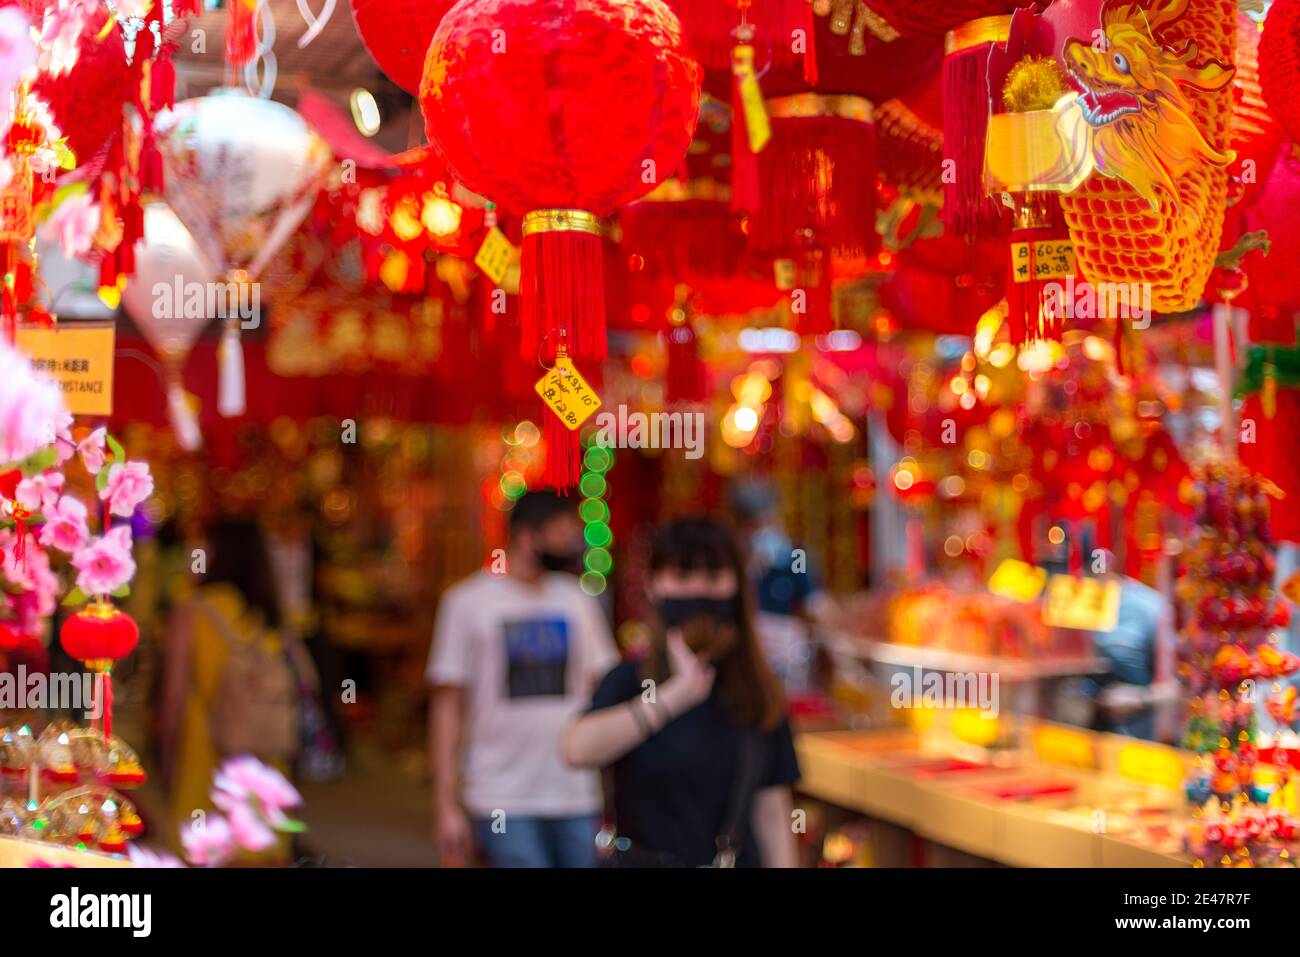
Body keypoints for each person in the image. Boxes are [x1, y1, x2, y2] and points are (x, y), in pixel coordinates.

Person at [563, 516, 801, 867]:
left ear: (737, 585)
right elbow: (576, 749)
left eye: (713, 577)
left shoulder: (757, 690)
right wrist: (674, 698)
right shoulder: (630, 680)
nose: (698, 590)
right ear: (654, 585)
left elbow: (772, 809)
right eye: (683, 576)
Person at [427, 490, 618, 868]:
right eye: (562, 532)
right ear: (527, 535)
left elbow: (605, 690)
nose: (572, 543)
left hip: (575, 794)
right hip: (500, 796)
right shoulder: (467, 602)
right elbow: (447, 707)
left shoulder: (578, 600)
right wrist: (446, 804)